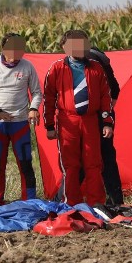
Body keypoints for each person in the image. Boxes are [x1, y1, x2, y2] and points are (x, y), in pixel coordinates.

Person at [43, 30, 114, 206]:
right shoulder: (56, 68)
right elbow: (49, 98)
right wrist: (49, 125)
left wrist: (107, 122)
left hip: (90, 121)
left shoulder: (96, 68)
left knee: (94, 163)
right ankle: (71, 204)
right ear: (64, 47)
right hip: (67, 121)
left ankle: (96, 203)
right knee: (70, 165)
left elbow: (106, 96)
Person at [53, 44, 124, 209]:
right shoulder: (101, 61)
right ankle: (115, 201)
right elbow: (115, 90)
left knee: (76, 161)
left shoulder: (75, 63)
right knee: (105, 158)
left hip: (82, 117)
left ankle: (63, 202)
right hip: (100, 114)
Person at [0, 33, 42, 205]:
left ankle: (29, 201)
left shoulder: (28, 66)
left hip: (20, 124)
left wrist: (33, 108)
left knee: (25, 164)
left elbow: (37, 92)